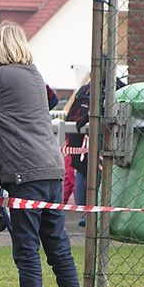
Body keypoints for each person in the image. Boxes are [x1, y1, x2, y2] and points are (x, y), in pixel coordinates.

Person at [0, 21, 82, 287]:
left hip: (25, 174)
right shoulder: (35, 75)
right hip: (53, 169)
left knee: (26, 246)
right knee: (57, 245)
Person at [65, 82, 93, 227]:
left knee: (77, 176)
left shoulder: (85, 90)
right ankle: (86, 212)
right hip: (81, 145)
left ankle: (85, 212)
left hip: (78, 144)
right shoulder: (86, 91)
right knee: (77, 177)